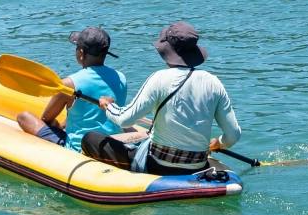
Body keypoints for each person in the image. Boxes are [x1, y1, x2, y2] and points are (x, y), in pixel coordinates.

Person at [85, 21, 242, 176]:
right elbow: (233, 135)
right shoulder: (214, 82)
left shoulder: (159, 78)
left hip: (158, 166)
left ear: (166, 51)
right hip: (198, 166)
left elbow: (125, 120)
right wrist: (219, 142)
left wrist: (108, 106)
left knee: (90, 139)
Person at [15, 27, 127, 153]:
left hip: (79, 149)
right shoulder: (121, 78)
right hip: (110, 147)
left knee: (24, 117)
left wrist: (59, 127)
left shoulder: (69, 84)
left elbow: (47, 119)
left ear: (80, 53)